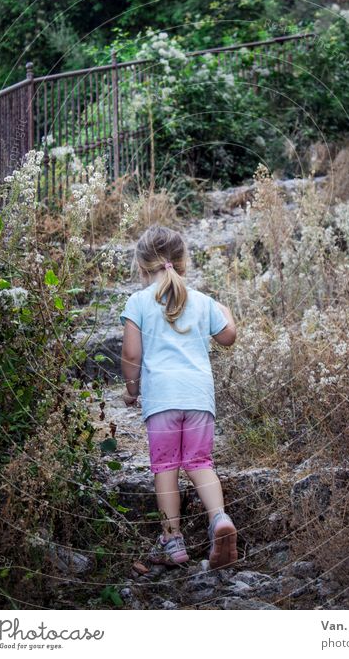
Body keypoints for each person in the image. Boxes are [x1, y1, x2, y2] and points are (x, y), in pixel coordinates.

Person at [120, 225, 238, 569]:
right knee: (200, 462)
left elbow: (130, 354)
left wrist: (131, 390)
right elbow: (228, 337)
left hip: (163, 401)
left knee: (166, 466)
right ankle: (219, 519)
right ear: (182, 262)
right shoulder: (202, 300)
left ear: (143, 267)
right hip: (200, 397)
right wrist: (226, 310)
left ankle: (172, 540)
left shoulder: (139, 301)